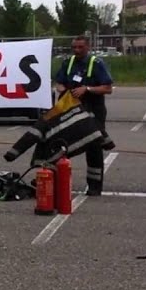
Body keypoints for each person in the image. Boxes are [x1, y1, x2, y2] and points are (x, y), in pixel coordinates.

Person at [52, 36, 114, 196]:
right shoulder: (68, 62)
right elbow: (59, 82)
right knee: (60, 145)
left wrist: (86, 89)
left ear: (88, 47)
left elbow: (107, 88)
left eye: (80, 47)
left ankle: (94, 186)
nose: (77, 50)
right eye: (74, 47)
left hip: (93, 110)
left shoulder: (96, 63)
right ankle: (57, 182)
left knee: (94, 148)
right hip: (71, 111)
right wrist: (61, 88)